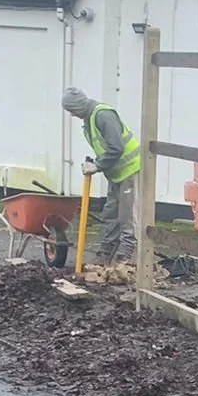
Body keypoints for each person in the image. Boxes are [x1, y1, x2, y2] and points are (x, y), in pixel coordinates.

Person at [62, 88, 141, 264]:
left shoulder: (103, 115)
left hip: (130, 170)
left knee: (127, 216)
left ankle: (126, 257)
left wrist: (97, 166)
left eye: (71, 110)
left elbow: (116, 148)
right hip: (115, 173)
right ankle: (106, 252)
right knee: (111, 213)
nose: (72, 115)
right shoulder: (89, 119)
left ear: (79, 106)